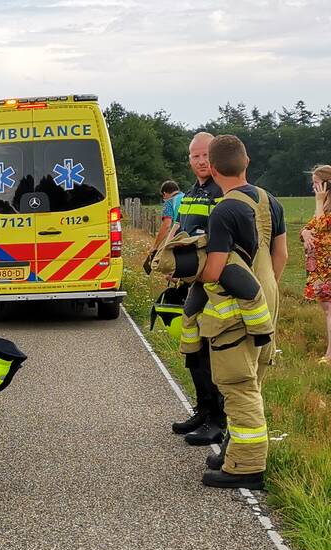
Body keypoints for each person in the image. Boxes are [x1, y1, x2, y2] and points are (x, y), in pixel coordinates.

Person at [197, 134, 288, 489]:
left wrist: (189, 271)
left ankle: (246, 467)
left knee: (237, 384)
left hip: (237, 308)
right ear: (246, 161)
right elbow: (281, 256)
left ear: (213, 168)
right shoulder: (270, 201)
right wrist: (267, 292)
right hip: (268, 299)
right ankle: (234, 450)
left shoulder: (224, 210)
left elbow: (215, 270)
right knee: (254, 380)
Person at [167, 132, 227, 448]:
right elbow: (181, 231)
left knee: (212, 353)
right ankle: (203, 410)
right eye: (195, 156)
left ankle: (218, 419)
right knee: (193, 350)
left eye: (206, 155)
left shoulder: (224, 192)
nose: (201, 161)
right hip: (194, 284)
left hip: (218, 286)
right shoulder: (190, 194)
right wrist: (168, 261)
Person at [301, 164, 331, 363]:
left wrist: (319, 201)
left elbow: (320, 228)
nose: (314, 188)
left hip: (328, 267)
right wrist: (304, 232)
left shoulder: (324, 206)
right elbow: (310, 227)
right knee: (327, 309)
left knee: (330, 309)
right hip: (319, 268)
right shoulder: (324, 206)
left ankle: (330, 355)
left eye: (317, 184)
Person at [144, 180, 184, 271]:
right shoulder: (188, 197)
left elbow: (167, 225)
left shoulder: (169, 202)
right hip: (194, 236)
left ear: (165, 193)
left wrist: (155, 246)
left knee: (173, 269)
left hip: (179, 237)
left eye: (163, 196)